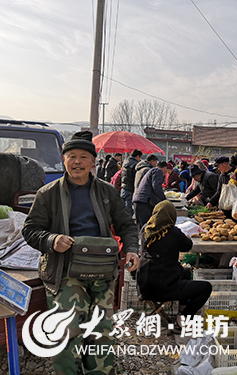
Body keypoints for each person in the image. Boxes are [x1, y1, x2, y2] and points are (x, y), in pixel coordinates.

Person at [22, 131, 139, 375]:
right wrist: (52, 240)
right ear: (63, 160)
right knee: (66, 330)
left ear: (93, 162)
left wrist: (132, 249)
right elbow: (30, 230)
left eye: (84, 157)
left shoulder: (108, 192)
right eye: (72, 156)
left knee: (102, 331)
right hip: (64, 271)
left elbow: (126, 224)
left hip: (102, 270)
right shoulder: (48, 194)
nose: (77, 162)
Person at [137, 200, 212, 325]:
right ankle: (184, 316)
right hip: (164, 287)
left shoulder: (145, 230)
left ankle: (180, 312)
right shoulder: (172, 232)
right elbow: (187, 246)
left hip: (144, 285)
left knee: (186, 272)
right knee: (205, 287)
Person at [132, 161, 168, 231]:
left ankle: (141, 241)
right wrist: (165, 201)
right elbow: (157, 188)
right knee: (146, 229)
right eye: (166, 170)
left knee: (141, 229)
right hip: (144, 202)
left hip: (140, 201)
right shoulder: (158, 171)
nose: (166, 173)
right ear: (165, 168)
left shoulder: (152, 170)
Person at [120, 149, 142, 217]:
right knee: (128, 212)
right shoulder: (135, 164)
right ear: (138, 156)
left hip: (123, 188)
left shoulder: (125, 162)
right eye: (140, 157)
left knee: (122, 209)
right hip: (130, 189)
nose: (140, 159)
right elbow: (136, 178)